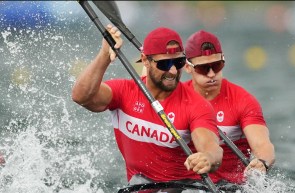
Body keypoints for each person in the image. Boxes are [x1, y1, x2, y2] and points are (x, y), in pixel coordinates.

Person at [71, 25, 223, 184]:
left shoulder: (196, 105)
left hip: (184, 187)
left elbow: (211, 147)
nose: (172, 71)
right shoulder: (124, 92)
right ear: (145, 60)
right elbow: (81, 96)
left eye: (178, 62)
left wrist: (207, 157)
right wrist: (104, 55)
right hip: (140, 185)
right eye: (164, 64)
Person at [183, 30, 275, 184]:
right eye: (204, 68)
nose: (212, 74)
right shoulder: (176, 98)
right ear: (187, 67)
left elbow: (262, 144)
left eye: (217, 66)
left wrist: (262, 162)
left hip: (230, 186)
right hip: (187, 183)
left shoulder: (242, 100)